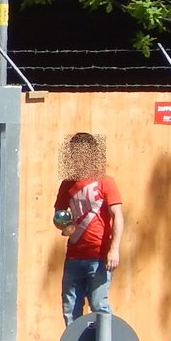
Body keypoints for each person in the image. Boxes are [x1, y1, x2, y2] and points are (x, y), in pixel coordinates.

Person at [52, 132, 123, 326]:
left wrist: (114, 249)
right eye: (75, 153)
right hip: (74, 257)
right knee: (70, 309)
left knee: (99, 305)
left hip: (99, 257)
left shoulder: (105, 181)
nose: (79, 157)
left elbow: (118, 216)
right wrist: (64, 225)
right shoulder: (67, 184)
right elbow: (59, 216)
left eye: (84, 152)